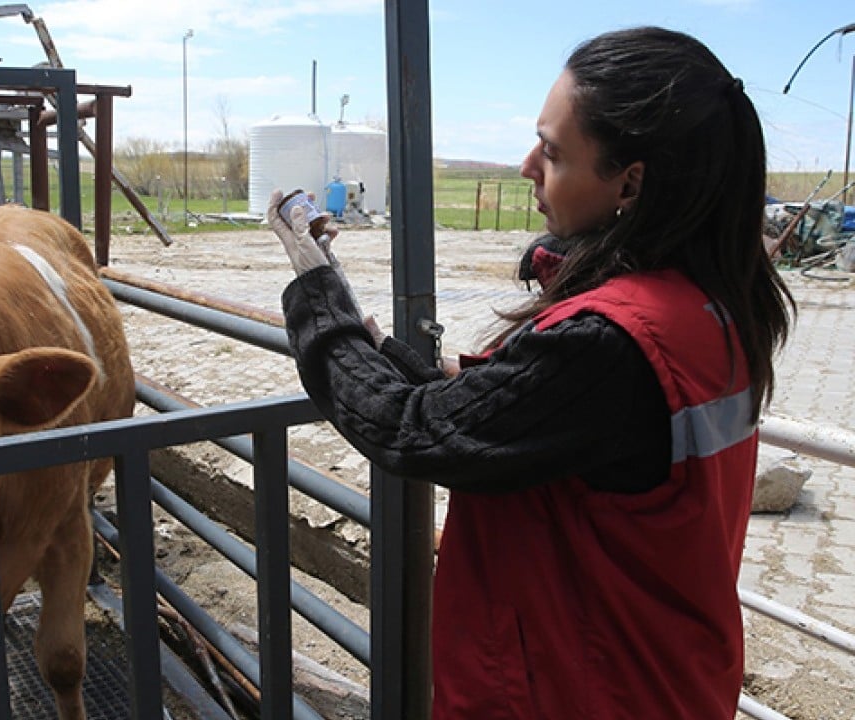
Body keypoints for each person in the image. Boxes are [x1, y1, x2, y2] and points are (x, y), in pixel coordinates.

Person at [269, 26, 794, 719]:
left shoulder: (612, 342)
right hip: (661, 678)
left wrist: (317, 293)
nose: (526, 167)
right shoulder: (708, 305)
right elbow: (513, 412)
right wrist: (381, 348)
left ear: (631, 182)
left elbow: (410, 430)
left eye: (552, 152)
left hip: (576, 696)